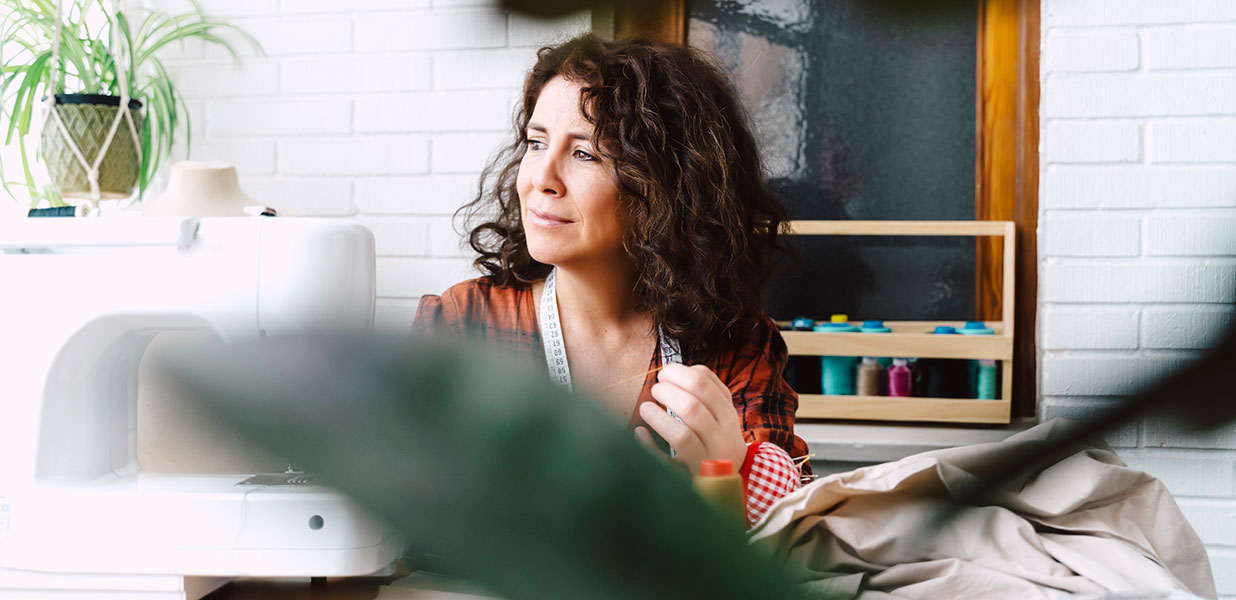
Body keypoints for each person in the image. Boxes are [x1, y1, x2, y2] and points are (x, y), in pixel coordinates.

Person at [413, 34, 809, 527]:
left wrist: (723, 479)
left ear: (667, 184)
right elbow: (401, 516)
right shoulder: (465, 324)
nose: (541, 178)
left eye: (585, 155)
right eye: (536, 143)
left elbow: (775, 557)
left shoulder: (736, 349)